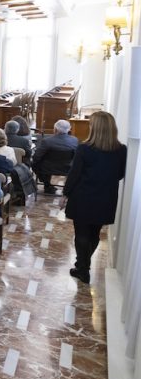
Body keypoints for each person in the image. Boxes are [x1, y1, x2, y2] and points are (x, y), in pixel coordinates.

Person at [63, 112, 126, 284]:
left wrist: (66, 193)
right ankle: (83, 266)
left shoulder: (84, 148)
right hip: (106, 197)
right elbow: (120, 174)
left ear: (95, 128)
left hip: (83, 197)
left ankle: (83, 268)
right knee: (94, 233)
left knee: (81, 234)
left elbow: (74, 174)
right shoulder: (122, 150)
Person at [33, 119, 79, 194]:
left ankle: (47, 185)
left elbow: (36, 157)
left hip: (47, 169)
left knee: (35, 163)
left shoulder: (47, 141)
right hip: (67, 169)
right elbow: (76, 157)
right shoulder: (74, 140)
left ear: (55, 129)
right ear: (68, 129)